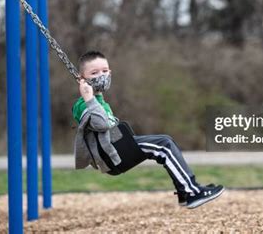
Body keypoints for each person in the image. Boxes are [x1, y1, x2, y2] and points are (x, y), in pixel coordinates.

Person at [72, 50, 224, 209]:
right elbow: (101, 124)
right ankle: (192, 192)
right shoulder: (82, 104)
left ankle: (184, 192)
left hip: (117, 148)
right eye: (94, 73)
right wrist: (88, 98)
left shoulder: (98, 100)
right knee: (163, 145)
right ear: (82, 79)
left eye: (105, 71)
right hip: (112, 156)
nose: (101, 76)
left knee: (166, 141)